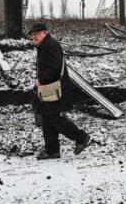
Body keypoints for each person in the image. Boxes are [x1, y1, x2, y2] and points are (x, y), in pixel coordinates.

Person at [28, 22, 91, 160]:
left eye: (36, 35)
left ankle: (81, 137)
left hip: (54, 88)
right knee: (47, 117)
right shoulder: (44, 46)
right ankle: (52, 151)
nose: (34, 38)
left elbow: (54, 67)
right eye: (32, 36)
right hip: (48, 89)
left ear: (44, 33)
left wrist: (41, 81)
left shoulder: (51, 46)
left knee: (53, 118)